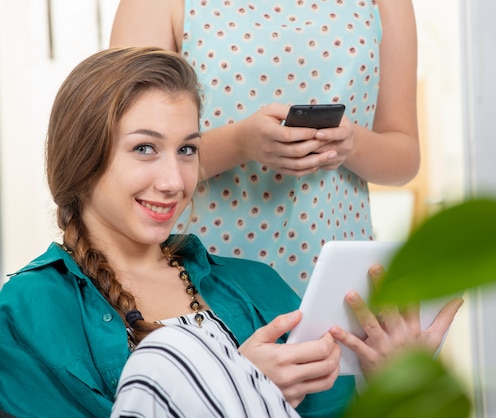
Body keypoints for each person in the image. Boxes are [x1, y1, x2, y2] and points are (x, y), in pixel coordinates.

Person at [0, 47, 461, 418]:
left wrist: (389, 387)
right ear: (82, 158)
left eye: (186, 150)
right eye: (144, 148)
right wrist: (239, 387)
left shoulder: (257, 284)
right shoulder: (25, 310)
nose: (174, 181)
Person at [109, 0, 421, 297]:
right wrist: (240, 143)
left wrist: (350, 145)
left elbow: (404, 156)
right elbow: (125, 153)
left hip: (336, 280)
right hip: (201, 277)